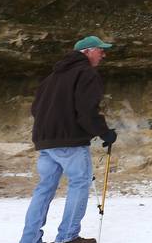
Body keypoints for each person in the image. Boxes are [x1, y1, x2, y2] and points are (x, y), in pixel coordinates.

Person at [19, 36, 118, 243]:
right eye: (101, 50)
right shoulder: (87, 73)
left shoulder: (51, 77)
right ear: (88, 51)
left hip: (45, 142)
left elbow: (36, 109)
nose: (103, 54)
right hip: (70, 142)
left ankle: (29, 239)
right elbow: (86, 111)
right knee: (79, 183)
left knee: (44, 189)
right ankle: (68, 237)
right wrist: (105, 133)